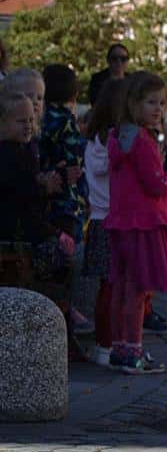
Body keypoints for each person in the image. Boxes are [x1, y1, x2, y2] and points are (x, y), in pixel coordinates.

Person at [105, 72, 167, 374]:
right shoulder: (143, 141)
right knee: (137, 289)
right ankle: (132, 351)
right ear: (133, 103)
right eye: (151, 102)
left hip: (121, 221)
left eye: (162, 103)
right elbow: (155, 183)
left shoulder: (119, 135)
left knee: (121, 288)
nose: (158, 109)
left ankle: (118, 347)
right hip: (144, 223)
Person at [40, 64, 91, 338]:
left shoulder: (40, 118)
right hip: (65, 202)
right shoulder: (65, 121)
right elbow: (75, 166)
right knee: (68, 261)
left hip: (45, 199)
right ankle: (66, 319)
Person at [0, 90, 70, 284]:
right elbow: (22, 195)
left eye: (31, 120)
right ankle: (51, 303)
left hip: (22, 223)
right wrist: (44, 188)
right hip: (14, 229)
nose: (29, 126)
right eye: (21, 121)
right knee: (60, 254)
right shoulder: (8, 154)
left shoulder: (25, 150)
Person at [82, 78, 127, 365]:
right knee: (113, 288)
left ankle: (106, 344)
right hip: (113, 219)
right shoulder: (112, 140)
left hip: (101, 219)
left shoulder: (94, 138)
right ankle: (107, 344)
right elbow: (106, 169)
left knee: (108, 287)